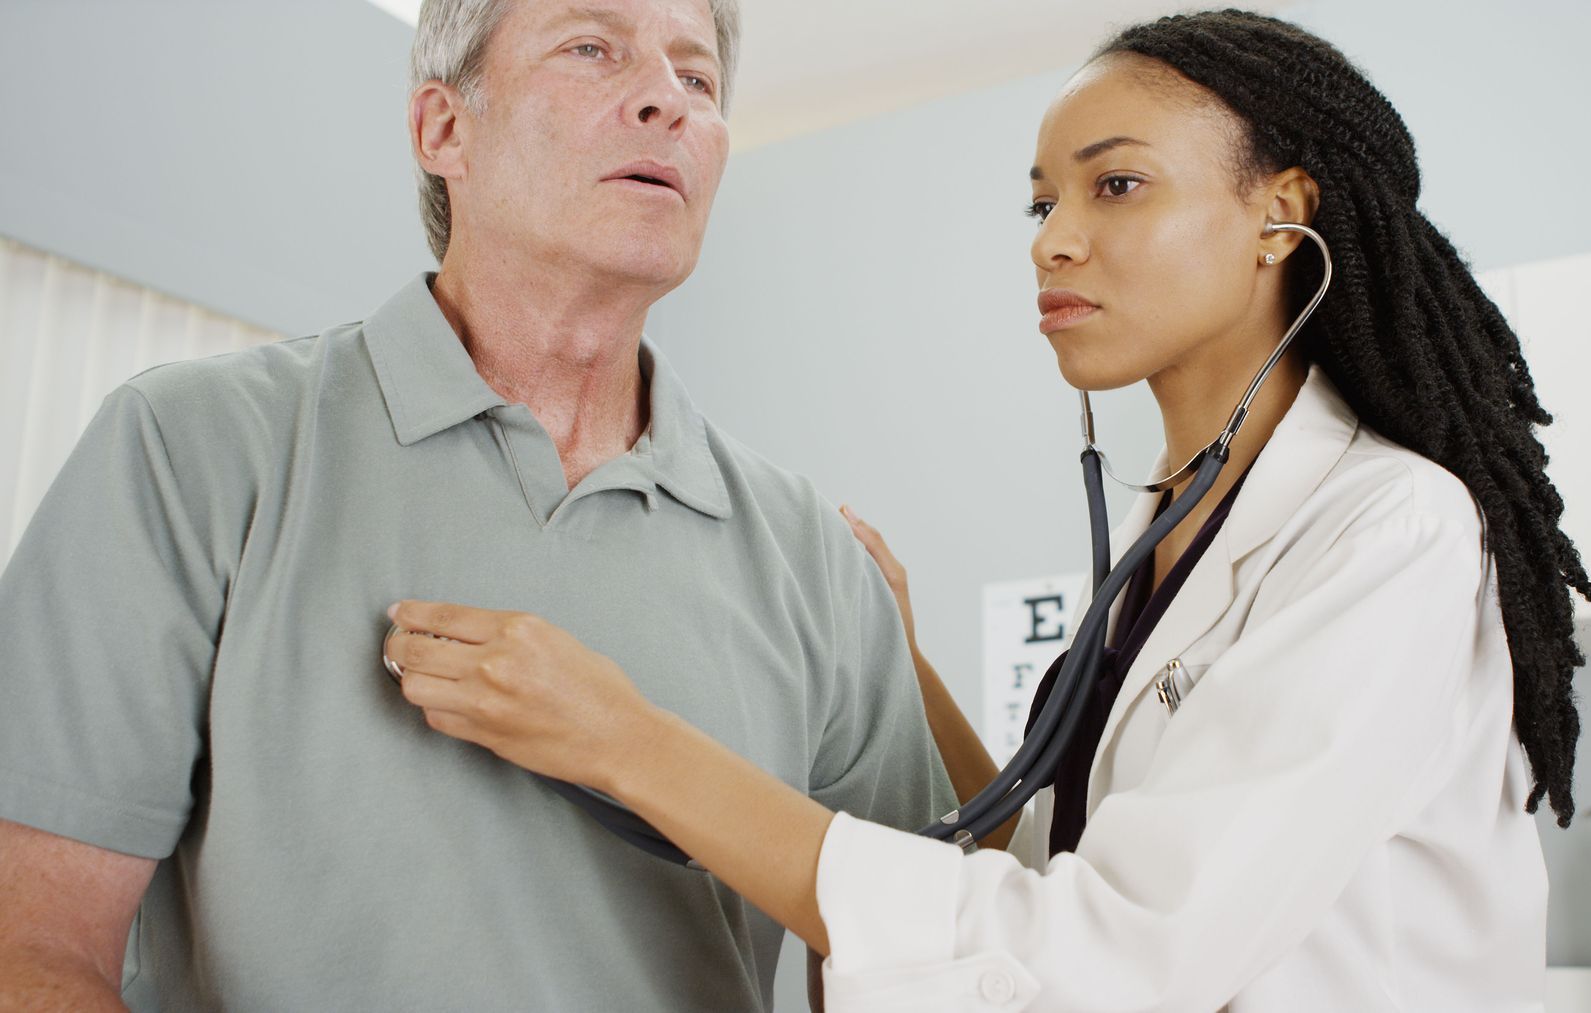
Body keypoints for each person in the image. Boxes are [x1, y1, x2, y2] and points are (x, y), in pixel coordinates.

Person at [381, 8, 1591, 1012]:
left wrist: (624, 741)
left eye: (1116, 188)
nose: (1054, 242)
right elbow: (1044, 877)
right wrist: (905, 665)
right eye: (1043, 203)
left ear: (1279, 213)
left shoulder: (1389, 531)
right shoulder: (1175, 529)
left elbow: (1109, 957)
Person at [0, 0, 956, 1009]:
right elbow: (35, 950)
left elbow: (922, 956)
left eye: (697, 77)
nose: (665, 102)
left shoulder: (820, 563)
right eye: (593, 49)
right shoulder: (186, 448)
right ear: (443, 129)